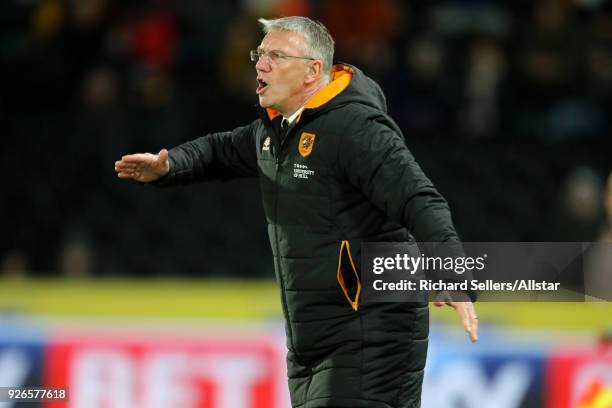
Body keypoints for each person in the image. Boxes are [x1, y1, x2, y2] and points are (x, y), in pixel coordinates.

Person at [115, 16, 477, 408]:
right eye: (260, 53)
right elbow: (219, 150)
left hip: (370, 334)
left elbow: (418, 198)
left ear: (312, 71)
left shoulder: (356, 128)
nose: (260, 63)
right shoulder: (276, 130)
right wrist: (168, 166)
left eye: (276, 55)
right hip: (311, 344)